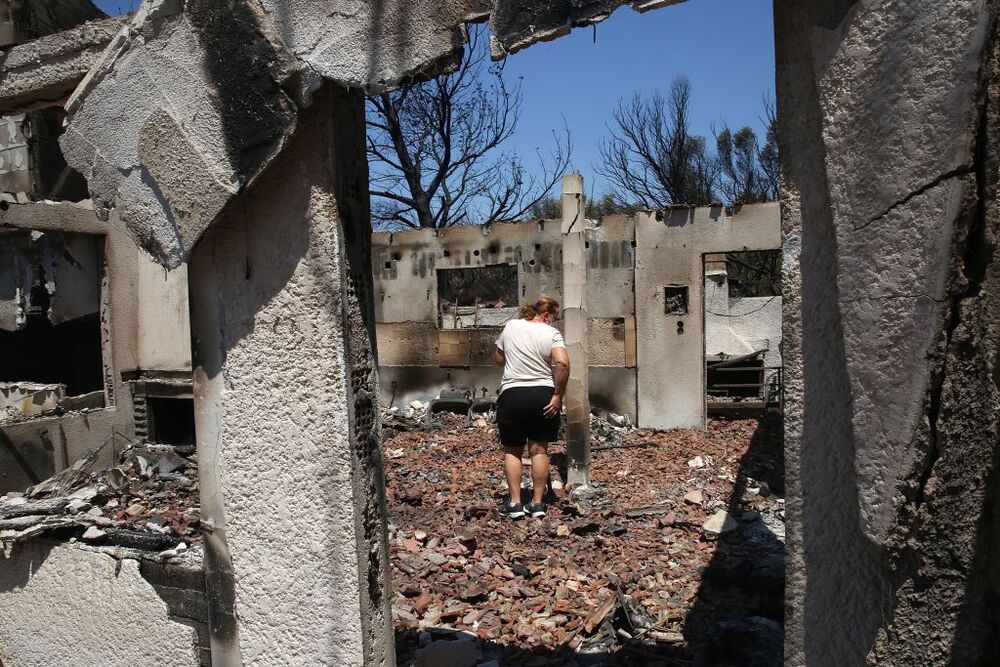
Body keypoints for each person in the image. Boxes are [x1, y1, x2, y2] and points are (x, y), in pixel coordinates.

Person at [493, 296, 570, 519]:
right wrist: (558, 395)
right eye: (553, 318)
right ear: (546, 315)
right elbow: (562, 363)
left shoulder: (511, 326)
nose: (553, 323)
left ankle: (516, 503)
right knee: (539, 451)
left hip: (512, 394)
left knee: (513, 451)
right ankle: (537, 504)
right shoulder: (551, 334)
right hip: (542, 395)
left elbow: (498, 358)